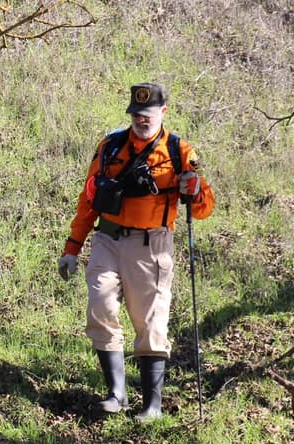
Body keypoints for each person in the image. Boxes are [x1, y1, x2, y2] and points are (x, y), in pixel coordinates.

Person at [57, 82, 215, 421]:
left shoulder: (179, 152)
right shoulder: (111, 146)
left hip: (151, 245)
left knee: (151, 321)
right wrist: (72, 247)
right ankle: (117, 393)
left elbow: (203, 208)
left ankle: (152, 406)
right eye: (136, 114)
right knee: (99, 305)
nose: (142, 120)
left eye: (148, 114)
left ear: (163, 112)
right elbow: (89, 200)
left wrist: (195, 190)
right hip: (108, 239)